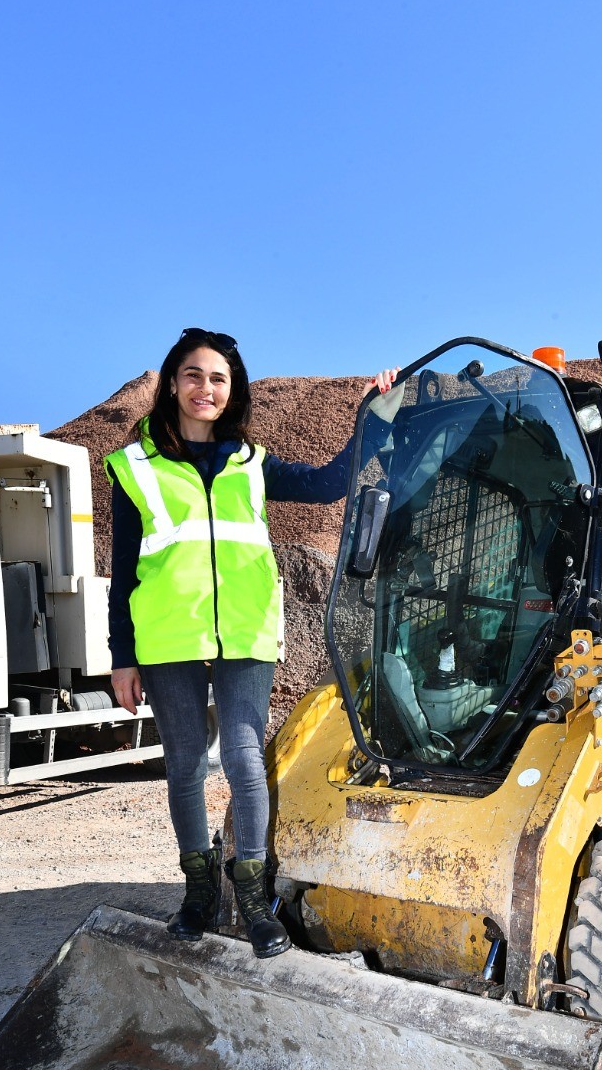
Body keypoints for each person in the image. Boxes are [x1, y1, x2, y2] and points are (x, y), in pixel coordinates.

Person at [106, 326, 397, 956]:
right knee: (185, 765)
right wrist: (121, 656)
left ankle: (255, 900)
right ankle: (197, 893)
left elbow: (328, 483)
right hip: (167, 638)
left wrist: (373, 417)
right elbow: (125, 568)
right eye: (192, 375)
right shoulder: (134, 468)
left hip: (244, 633)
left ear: (231, 391)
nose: (204, 388)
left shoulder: (252, 463)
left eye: (218, 378)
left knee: (243, 760)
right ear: (172, 383)